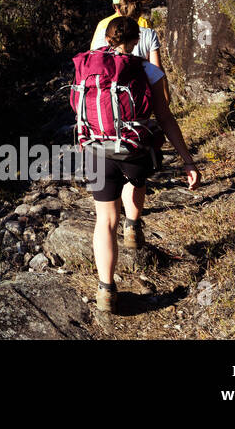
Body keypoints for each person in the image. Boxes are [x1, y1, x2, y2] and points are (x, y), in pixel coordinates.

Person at [85, 16, 199, 312]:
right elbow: (165, 118)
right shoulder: (148, 70)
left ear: (107, 38)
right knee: (136, 181)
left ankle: (106, 290)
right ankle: (133, 228)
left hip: (97, 150)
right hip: (133, 151)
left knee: (104, 221)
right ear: (137, 40)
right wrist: (187, 161)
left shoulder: (91, 67)